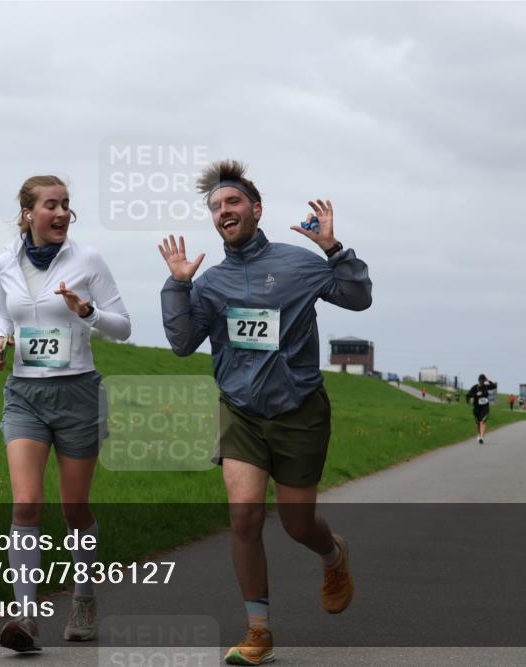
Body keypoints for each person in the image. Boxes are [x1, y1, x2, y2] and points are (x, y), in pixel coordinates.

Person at [158, 160, 372, 665]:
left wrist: (334, 250)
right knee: (245, 517)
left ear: (256, 209)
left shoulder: (299, 264)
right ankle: (258, 632)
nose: (222, 211)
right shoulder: (209, 284)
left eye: (232, 202)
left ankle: (332, 555)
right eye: (215, 207)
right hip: (241, 412)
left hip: (299, 410)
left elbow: (358, 299)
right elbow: (184, 344)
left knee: (298, 525)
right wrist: (179, 286)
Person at [0, 175, 131, 652]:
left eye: (67, 205)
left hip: (77, 394)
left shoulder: (87, 259)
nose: (62, 213)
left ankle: (84, 597)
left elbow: (123, 327)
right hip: (25, 395)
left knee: (74, 508)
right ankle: (26, 618)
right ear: (29, 213)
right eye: (52, 205)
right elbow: (3, 313)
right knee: (26, 503)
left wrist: (87, 312)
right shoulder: (5, 260)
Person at [466, 375, 498, 444]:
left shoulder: (486, 386)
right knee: (478, 423)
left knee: (482, 422)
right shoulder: (475, 387)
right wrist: (476, 394)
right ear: (479, 381)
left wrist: (488, 380)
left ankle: (482, 438)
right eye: (481, 381)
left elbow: (494, 386)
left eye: (483, 381)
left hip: (485, 407)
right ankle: (479, 434)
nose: (482, 383)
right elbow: (469, 394)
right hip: (477, 408)